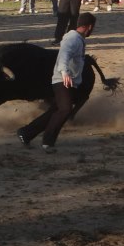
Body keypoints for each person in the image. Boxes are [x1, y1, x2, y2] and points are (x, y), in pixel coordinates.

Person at [17, 12, 97, 153]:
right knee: (65, 109)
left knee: (56, 110)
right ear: (89, 27)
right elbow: (64, 56)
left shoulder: (76, 38)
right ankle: (48, 142)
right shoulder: (73, 38)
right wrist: (65, 72)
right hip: (62, 80)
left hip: (68, 81)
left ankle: (26, 133)